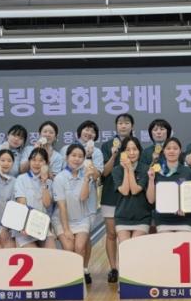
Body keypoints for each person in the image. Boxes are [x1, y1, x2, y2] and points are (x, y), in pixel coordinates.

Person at [60, 120, 104, 284]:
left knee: (84, 238)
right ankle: (71, 271)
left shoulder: (96, 152)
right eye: (86, 129)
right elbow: (61, 173)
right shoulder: (65, 149)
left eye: (92, 131)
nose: (89, 133)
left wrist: (90, 156)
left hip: (88, 202)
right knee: (70, 241)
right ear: (79, 131)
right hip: (68, 201)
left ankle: (84, 269)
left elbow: (97, 175)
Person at [53, 144, 99, 283]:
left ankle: (80, 275)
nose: (77, 159)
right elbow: (62, 206)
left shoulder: (86, 175)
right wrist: (66, 229)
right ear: (67, 157)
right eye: (73, 155)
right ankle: (70, 277)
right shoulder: (60, 178)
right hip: (62, 219)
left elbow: (83, 197)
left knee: (79, 247)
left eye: (80, 156)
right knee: (69, 248)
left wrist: (86, 179)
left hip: (81, 218)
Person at [101, 113, 135, 282]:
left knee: (129, 234)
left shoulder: (135, 145)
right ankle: (114, 268)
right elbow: (104, 173)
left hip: (131, 197)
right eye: (120, 123)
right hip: (110, 195)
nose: (123, 126)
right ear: (116, 126)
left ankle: (129, 267)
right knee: (111, 234)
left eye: (127, 123)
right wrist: (114, 155)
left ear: (132, 126)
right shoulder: (107, 145)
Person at [146, 137, 191, 233]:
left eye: (175, 148)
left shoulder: (188, 172)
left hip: (185, 220)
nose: (171, 151)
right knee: (166, 243)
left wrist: (186, 208)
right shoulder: (156, 171)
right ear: (164, 151)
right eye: (168, 148)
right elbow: (151, 200)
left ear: (180, 151)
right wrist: (151, 180)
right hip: (163, 220)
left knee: (183, 243)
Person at [14, 148, 57, 248]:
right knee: (34, 255)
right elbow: (21, 203)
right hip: (24, 224)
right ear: (29, 161)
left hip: (41, 224)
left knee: (52, 253)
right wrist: (24, 225)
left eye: (41, 160)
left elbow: (47, 204)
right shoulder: (21, 179)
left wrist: (44, 182)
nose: (37, 163)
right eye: (34, 160)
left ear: (46, 164)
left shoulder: (49, 182)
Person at [112, 137, 152, 242]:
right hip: (122, 217)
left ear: (139, 151)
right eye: (128, 150)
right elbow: (125, 191)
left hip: (142, 217)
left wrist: (130, 168)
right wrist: (126, 169)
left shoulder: (145, 169)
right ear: (123, 153)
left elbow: (135, 190)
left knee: (135, 246)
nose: (132, 153)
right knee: (124, 247)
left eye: (135, 149)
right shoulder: (117, 170)